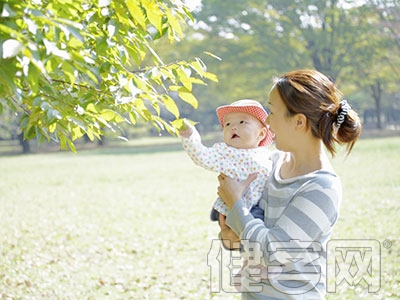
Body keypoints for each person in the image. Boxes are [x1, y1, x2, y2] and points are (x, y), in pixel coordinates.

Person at [217, 69, 362, 299]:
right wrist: (230, 235)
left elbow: (273, 252)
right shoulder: (271, 164)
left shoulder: (321, 188)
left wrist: (235, 204)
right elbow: (246, 234)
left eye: (272, 112)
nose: (266, 120)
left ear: (299, 121)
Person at [179, 99, 274, 230]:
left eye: (242, 122)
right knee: (255, 230)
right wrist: (190, 137)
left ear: (261, 133)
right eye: (228, 124)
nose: (233, 127)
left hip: (257, 205)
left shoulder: (268, 155)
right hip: (230, 209)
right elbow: (202, 156)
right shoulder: (225, 152)